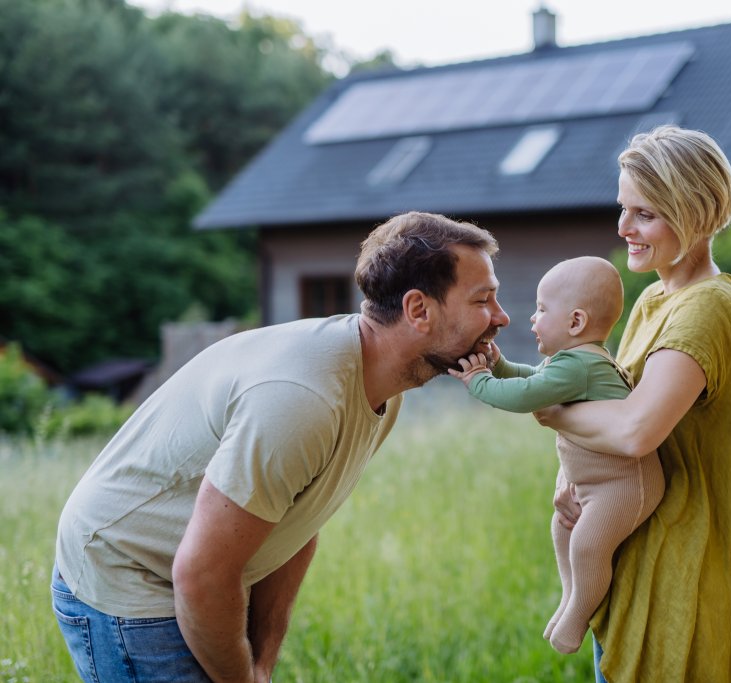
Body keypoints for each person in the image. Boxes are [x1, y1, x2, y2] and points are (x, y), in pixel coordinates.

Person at [52, 211, 510, 683]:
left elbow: (298, 521)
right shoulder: (304, 399)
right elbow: (202, 575)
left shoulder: (381, 391)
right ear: (418, 310)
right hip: (131, 574)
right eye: (483, 299)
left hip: (198, 576)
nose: (502, 317)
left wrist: (263, 663)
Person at [536, 127, 731, 681]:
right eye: (623, 208)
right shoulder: (655, 296)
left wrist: (549, 411)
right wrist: (575, 478)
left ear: (693, 214)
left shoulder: (708, 308)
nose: (623, 227)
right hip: (634, 545)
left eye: (644, 214)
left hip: (686, 559)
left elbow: (634, 431)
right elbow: (612, 398)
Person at [449, 256, 664, 655]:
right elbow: (533, 380)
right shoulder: (568, 363)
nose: (531, 318)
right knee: (562, 528)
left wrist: (478, 382)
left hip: (625, 484)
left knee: (587, 545)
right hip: (597, 483)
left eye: (542, 309)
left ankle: (578, 616)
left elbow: (526, 396)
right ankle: (571, 597)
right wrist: (500, 365)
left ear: (576, 322)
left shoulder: (579, 366)